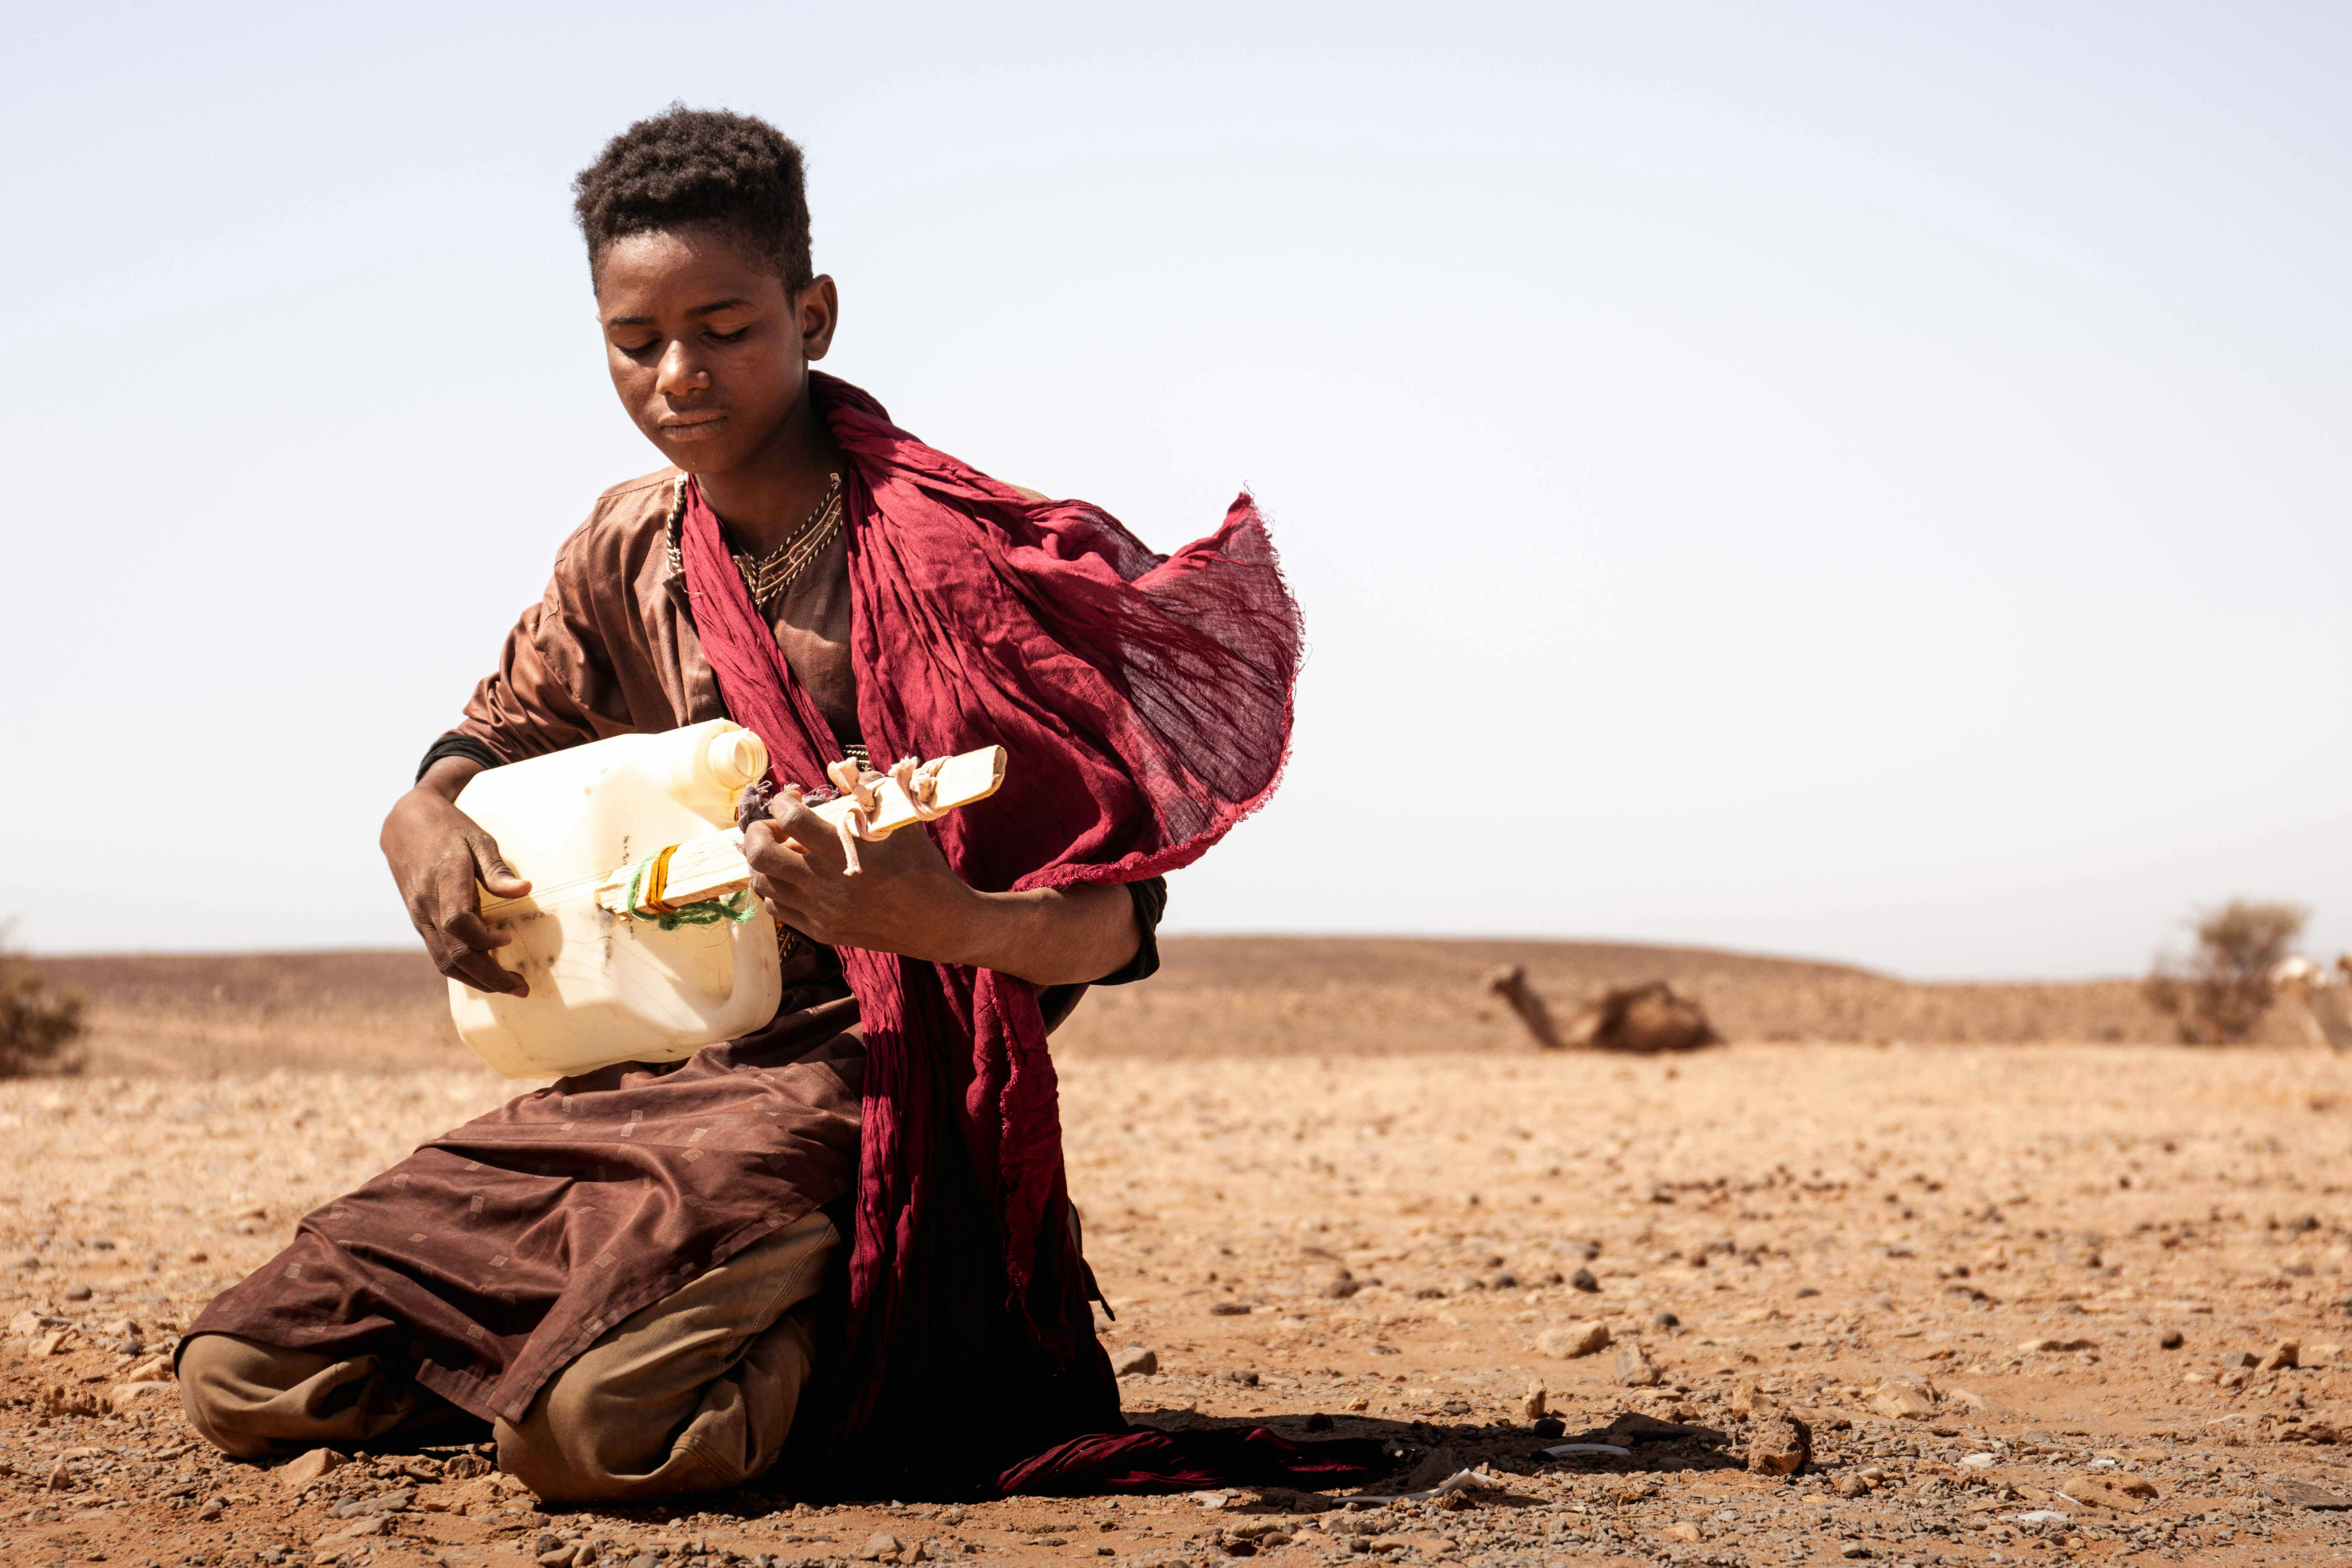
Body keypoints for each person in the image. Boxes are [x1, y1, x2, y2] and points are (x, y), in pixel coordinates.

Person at [174, 107, 1361, 1503]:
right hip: (648, 1086)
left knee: (593, 1436)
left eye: (726, 326)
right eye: (636, 339)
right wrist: (421, 812)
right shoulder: (626, 546)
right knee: (246, 1372)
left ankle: (857, 1325)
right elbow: (494, 728)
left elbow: (1113, 920)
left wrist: (942, 915)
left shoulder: (957, 564)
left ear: (812, 313)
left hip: (865, 1087)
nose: (679, 372)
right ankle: (654, 1322)